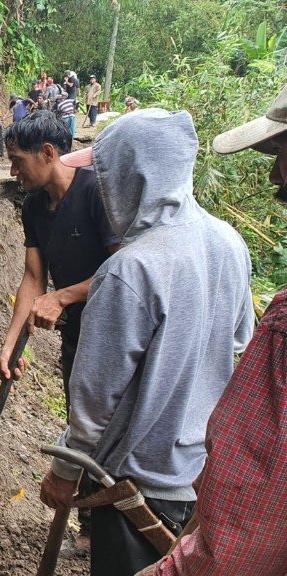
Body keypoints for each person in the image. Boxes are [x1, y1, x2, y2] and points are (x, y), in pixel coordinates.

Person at [38, 109, 255, 576]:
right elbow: (239, 344)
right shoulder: (230, 244)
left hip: (136, 480)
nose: (101, 186)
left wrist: (66, 467)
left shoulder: (131, 269)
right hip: (201, 471)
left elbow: (96, 397)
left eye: (106, 174)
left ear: (132, 176)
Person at [134, 83, 287, 576]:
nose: (274, 179)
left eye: (281, 154)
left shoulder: (134, 267)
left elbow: (253, 513)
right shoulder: (229, 243)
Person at [0, 110, 121, 552]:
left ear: (48, 153)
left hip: (113, 331)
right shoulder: (33, 205)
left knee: (106, 425)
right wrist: (11, 341)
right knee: (78, 417)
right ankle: (89, 534)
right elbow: (34, 276)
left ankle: (110, 529)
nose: (13, 172)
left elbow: (123, 270)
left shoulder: (96, 195)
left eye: (17, 161)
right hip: (78, 335)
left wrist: (64, 296)